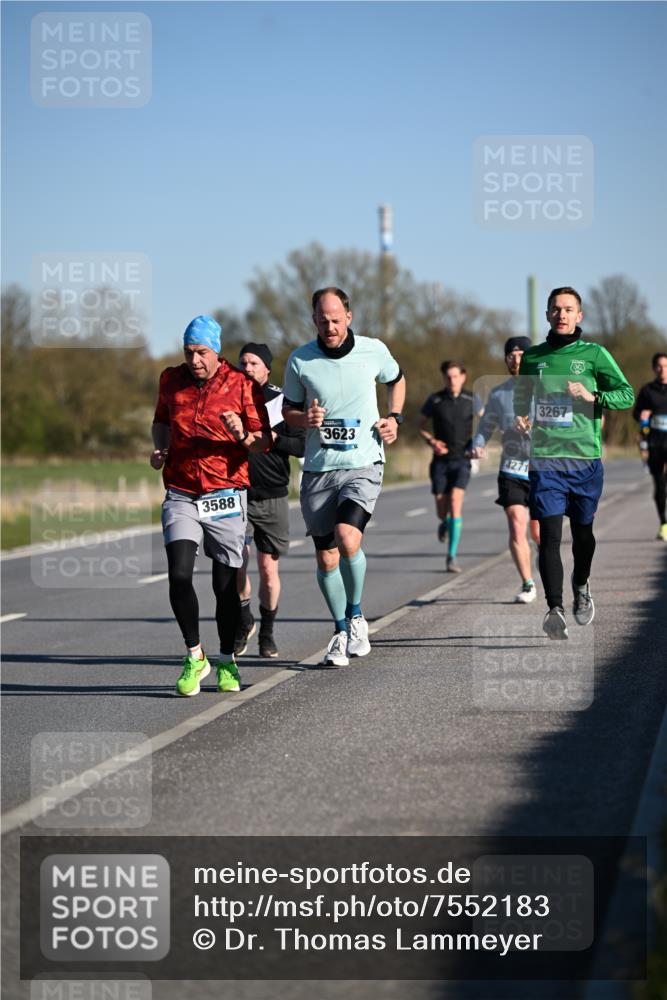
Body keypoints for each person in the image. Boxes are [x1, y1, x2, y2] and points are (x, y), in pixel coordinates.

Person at [282, 287, 406, 666]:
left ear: (349, 317)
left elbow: (396, 379)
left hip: (363, 462)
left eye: (336, 320)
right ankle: (339, 630)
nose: (330, 327)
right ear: (314, 320)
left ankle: (356, 616)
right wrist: (305, 420)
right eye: (323, 321)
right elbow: (288, 410)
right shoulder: (301, 360)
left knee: (348, 537)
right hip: (319, 468)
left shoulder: (373, 350)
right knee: (326, 558)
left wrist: (394, 418)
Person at [151, 315, 272, 695]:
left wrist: (243, 435)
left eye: (201, 352)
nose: (194, 360)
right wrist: (161, 447)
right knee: (180, 574)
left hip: (225, 491)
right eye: (189, 352)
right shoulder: (171, 379)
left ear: (216, 351)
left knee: (225, 585)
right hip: (182, 489)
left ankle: (226, 660)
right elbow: (160, 421)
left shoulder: (241, 384)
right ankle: (194, 655)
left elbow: (264, 440)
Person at [514, 287, 634, 639]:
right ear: (548, 315)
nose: (561, 315)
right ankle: (555, 607)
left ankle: (580, 584)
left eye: (568, 309)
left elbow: (625, 394)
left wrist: (592, 395)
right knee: (549, 537)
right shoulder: (534, 358)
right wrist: (523, 416)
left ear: (579, 316)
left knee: (583, 535)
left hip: (585, 461)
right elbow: (523, 398)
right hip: (546, 463)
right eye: (555, 309)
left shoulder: (595, 355)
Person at [235, 342, 306, 658]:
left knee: (267, 568)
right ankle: (244, 617)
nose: (247, 368)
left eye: (253, 363)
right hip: (237, 493)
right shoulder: (232, 397)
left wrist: (275, 439)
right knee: (235, 562)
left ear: (266, 368)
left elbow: (301, 446)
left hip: (273, 493)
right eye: (243, 363)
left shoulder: (281, 401)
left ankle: (267, 632)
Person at [471, 336, 540, 602]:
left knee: (538, 531)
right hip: (512, 469)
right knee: (515, 523)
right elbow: (485, 427)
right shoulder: (499, 394)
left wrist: (533, 427)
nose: (516, 359)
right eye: (511, 355)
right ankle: (527, 583)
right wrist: (478, 444)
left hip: (540, 468)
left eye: (521, 354)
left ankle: (547, 570)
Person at [417, 361, 484, 573]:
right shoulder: (435, 399)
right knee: (441, 509)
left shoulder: (471, 399)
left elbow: (486, 423)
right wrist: (432, 441)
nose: (452, 380)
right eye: (448, 377)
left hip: (462, 460)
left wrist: (478, 443)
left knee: (455, 502)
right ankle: (444, 522)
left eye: (456, 376)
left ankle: (451, 556)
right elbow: (419, 425)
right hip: (440, 462)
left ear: (463, 377)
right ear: (444, 378)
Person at [633, 352, 667, 540]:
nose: (663, 370)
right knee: (660, 486)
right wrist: (642, 416)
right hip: (655, 443)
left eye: (666, 366)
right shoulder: (647, 390)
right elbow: (636, 413)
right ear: (654, 368)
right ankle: (663, 523)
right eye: (659, 366)